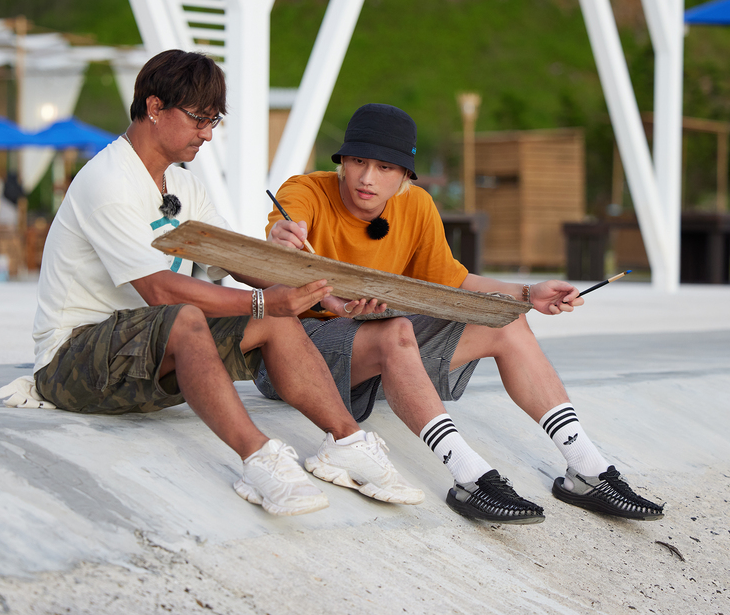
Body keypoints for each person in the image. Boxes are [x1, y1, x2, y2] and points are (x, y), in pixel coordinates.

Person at [30, 55, 423, 517]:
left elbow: (234, 260)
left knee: (273, 323)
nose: (208, 134)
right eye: (199, 119)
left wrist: (323, 296)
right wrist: (264, 301)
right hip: (73, 362)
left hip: (143, 354)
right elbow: (160, 292)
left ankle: (347, 441)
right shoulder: (107, 179)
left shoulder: (181, 184)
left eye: (214, 120)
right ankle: (260, 458)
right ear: (154, 107)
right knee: (190, 314)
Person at [261, 103, 664, 524]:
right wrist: (281, 240)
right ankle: (469, 476)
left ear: (404, 176)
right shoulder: (304, 191)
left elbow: (452, 282)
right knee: (394, 329)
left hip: (373, 357)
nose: (366, 177)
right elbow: (280, 254)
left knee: (504, 317)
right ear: (342, 160)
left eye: (384, 167)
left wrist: (528, 294)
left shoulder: (416, 207)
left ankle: (588, 469)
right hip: (297, 361)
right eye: (358, 161)